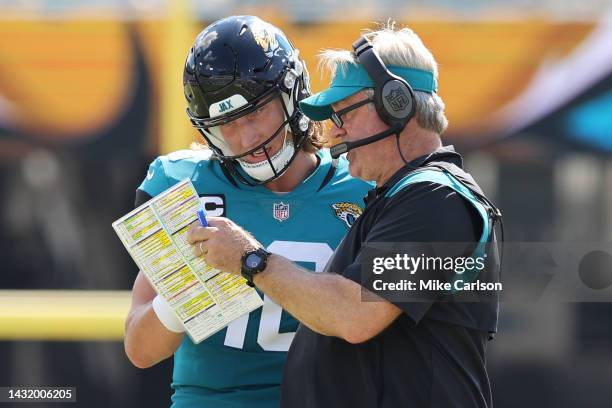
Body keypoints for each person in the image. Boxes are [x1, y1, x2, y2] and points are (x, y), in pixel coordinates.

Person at [187, 23, 502, 408]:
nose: (333, 133)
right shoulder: (406, 197)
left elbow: (356, 314)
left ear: (396, 104)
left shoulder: (436, 198)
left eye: (344, 115)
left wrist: (251, 260)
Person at [123, 15, 372, 408]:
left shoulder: (362, 185)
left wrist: (247, 261)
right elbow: (141, 348)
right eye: (226, 126)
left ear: (292, 93)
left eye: (255, 113)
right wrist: (186, 292)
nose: (247, 139)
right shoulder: (184, 186)